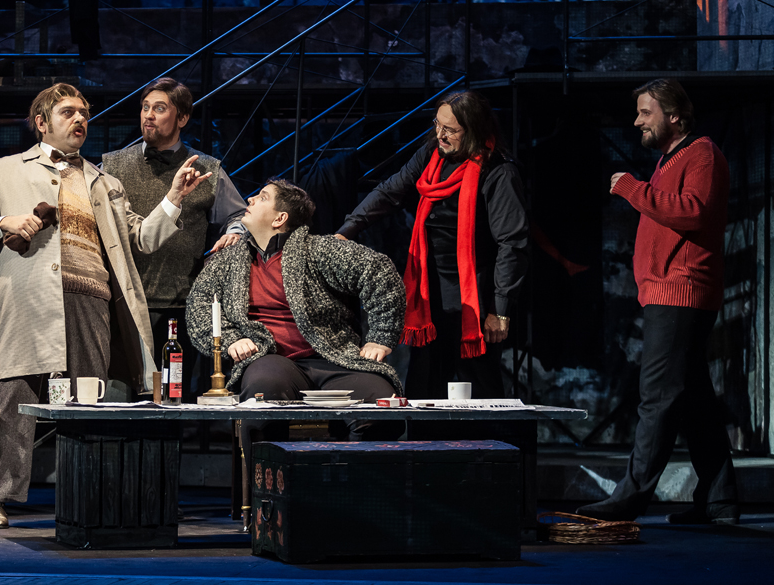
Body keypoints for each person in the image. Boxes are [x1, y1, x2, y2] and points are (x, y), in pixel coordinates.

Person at [0, 83, 211, 529]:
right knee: (15, 394)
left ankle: (86, 497)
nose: (80, 120)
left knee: (88, 400)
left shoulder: (104, 181)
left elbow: (141, 238)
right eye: (68, 113)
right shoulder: (6, 169)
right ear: (42, 122)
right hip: (31, 298)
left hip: (91, 298)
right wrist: (5, 221)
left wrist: (174, 197)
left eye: (84, 113)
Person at [577, 79, 739, 524]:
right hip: (669, 293)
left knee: (658, 398)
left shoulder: (702, 153)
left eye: (645, 112)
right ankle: (720, 499)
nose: (636, 122)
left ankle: (630, 498)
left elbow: (693, 211)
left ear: (674, 115)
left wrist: (634, 189)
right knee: (693, 400)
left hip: (681, 291)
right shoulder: (671, 160)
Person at [186, 179, 406, 462]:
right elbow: (199, 305)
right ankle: (268, 485)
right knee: (262, 395)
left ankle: (358, 485)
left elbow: (378, 270)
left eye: (262, 197)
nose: (250, 200)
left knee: (382, 406)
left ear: (280, 218)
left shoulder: (317, 249)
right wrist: (231, 340)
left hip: (333, 359)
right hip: (271, 359)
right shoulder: (227, 260)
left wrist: (381, 337)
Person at [335, 90, 529, 400]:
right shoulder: (431, 156)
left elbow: (512, 244)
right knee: (423, 383)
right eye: (437, 125)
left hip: (476, 296)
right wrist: (347, 231)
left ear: (474, 130)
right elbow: (389, 192)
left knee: (480, 387)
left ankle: (491, 435)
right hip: (429, 292)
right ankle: (422, 434)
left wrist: (500, 310)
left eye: (451, 129)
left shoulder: (498, 171)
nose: (440, 134)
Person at [102, 77, 246, 399]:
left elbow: (238, 215)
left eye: (159, 108)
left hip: (180, 302)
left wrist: (234, 233)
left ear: (182, 118)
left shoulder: (207, 169)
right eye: (145, 107)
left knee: (172, 397)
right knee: (120, 396)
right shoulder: (113, 166)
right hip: (125, 302)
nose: (148, 115)